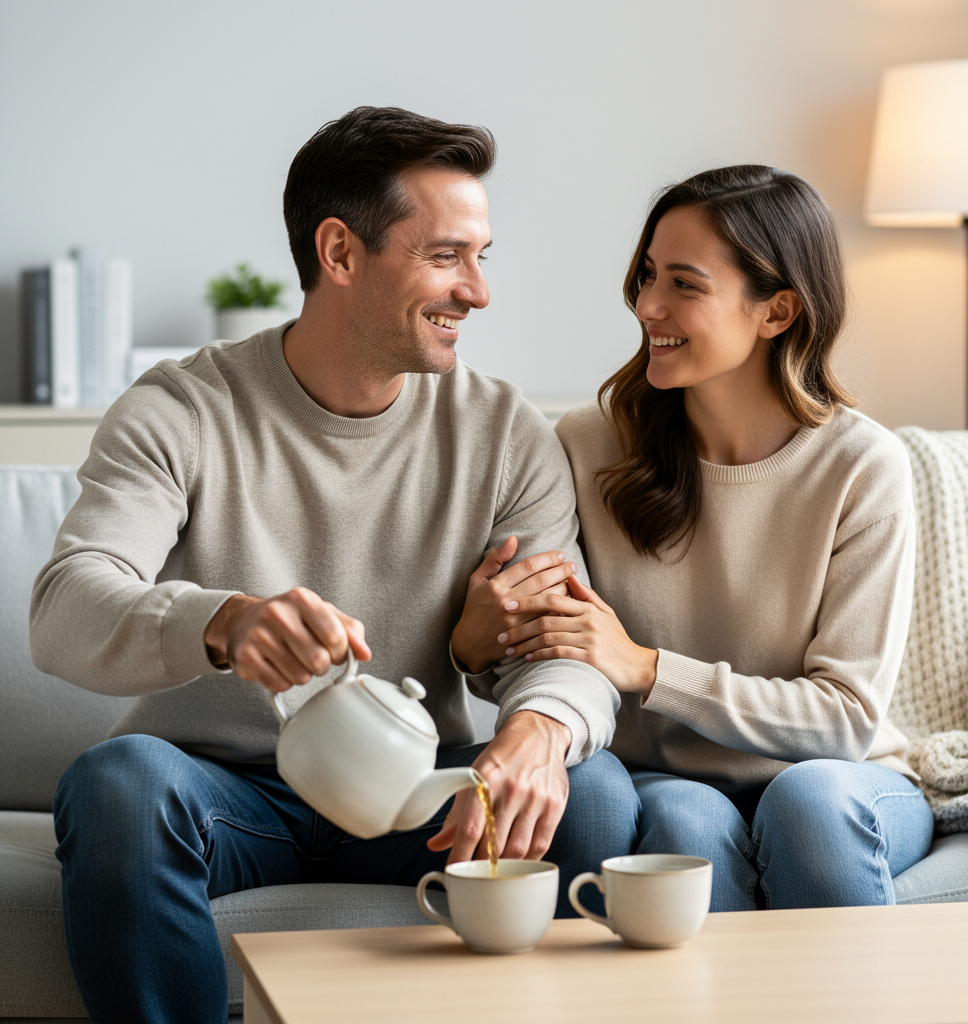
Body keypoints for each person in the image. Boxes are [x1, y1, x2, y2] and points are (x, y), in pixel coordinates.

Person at [31, 106, 637, 1023]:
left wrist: (539, 733)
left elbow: (565, 646)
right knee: (118, 785)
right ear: (340, 253)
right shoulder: (182, 409)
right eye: (445, 257)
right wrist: (223, 621)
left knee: (592, 790)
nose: (477, 291)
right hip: (225, 795)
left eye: (482, 256)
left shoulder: (506, 434)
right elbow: (66, 607)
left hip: (420, 797)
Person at [451, 165, 934, 912]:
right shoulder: (586, 444)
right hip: (667, 778)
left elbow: (844, 718)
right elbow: (546, 652)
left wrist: (648, 668)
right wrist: (477, 651)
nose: (647, 304)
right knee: (684, 820)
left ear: (776, 311)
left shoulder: (862, 466)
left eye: (684, 283)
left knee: (805, 806)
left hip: (843, 776)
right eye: (647, 276)